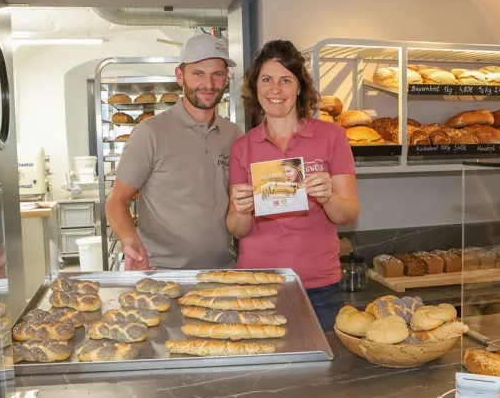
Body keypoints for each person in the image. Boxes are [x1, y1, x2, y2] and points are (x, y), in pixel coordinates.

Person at [227, 40, 359, 331]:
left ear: (299, 87)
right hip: (256, 285)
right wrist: (242, 209)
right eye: (267, 80)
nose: (276, 89)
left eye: (286, 80)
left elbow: (348, 214)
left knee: (323, 375)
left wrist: (329, 198)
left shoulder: (332, 136)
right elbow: (236, 228)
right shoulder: (242, 147)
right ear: (255, 88)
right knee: (262, 374)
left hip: (319, 288)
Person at [108, 34, 243, 270]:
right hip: (162, 272)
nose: (209, 84)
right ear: (180, 76)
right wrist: (131, 241)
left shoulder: (234, 135)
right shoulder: (150, 132)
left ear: (226, 78)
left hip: (223, 270)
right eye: (198, 73)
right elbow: (117, 200)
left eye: (217, 74)